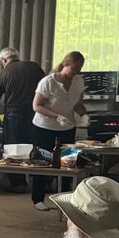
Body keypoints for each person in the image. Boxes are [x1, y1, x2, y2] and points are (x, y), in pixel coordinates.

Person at [31, 51, 87, 211]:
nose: (76, 72)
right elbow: (37, 106)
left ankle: (64, 198)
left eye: (80, 68)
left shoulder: (78, 81)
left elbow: (77, 103)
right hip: (44, 127)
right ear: (65, 65)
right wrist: (57, 116)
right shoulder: (48, 81)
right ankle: (38, 199)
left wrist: (84, 115)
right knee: (42, 162)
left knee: (68, 162)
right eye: (74, 68)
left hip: (67, 127)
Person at [0, 47, 46, 192]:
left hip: (15, 114)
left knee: (14, 148)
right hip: (37, 113)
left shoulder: (4, 73)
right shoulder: (35, 68)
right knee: (38, 147)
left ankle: (18, 183)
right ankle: (44, 182)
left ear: (4, 60)